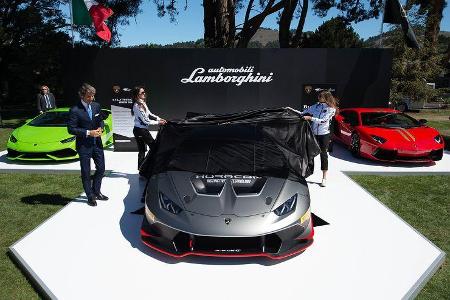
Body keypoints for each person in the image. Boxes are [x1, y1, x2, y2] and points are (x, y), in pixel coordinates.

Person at [68, 83, 108, 206]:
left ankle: (97, 191)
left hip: (97, 143)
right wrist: (88, 133)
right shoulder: (75, 110)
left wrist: (100, 128)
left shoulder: (96, 106)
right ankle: (90, 196)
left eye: (93, 96)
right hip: (84, 145)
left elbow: (99, 120)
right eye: (89, 96)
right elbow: (71, 129)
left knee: (101, 168)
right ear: (82, 95)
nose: (92, 99)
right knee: (86, 172)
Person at [287, 90, 338, 187]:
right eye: (319, 96)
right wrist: (290, 109)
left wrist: (310, 118)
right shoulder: (316, 106)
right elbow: (302, 113)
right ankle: (305, 174)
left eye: (320, 96)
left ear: (326, 97)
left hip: (324, 135)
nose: (318, 97)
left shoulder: (331, 109)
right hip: (314, 134)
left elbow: (323, 121)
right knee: (309, 153)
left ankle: (324, 178)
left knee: (323, 155)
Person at [132, 86, 166, 169]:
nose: (144, 93)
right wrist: (158, 122)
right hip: (140, 130)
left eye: (144, 92)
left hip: (140, 130)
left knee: (142, 150)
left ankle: (141, 168)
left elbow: (149, 114)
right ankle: (149, 168)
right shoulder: (137, 106)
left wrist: (158, 118)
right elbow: (145, 121)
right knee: (153, 148)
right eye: (142, 93)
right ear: (137, 95)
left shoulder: (142, 102)